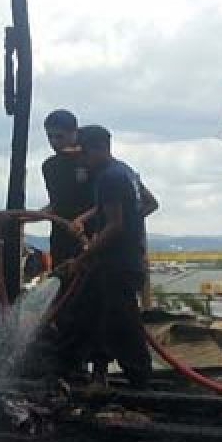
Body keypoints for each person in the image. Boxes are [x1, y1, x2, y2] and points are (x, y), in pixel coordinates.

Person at [55, 125, 154, 389]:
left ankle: (140, 382)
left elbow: (115, 225)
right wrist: (88, 219)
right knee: (88, 313)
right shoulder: (124, 171)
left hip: (117, 263)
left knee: (122, 324)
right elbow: (147, 203)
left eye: (84, 154)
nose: (81, 161)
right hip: (120, 260)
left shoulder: (109, 178)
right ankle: (71, 371)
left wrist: (82, 258)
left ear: (99, 148)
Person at [40, 110, 94, 267]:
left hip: (91, 236)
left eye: (59, 136)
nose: (54, 142)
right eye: (50, 137)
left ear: (74, 133)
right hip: (61, 239)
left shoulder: (91, 160)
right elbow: (56, 204)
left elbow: (104, 202)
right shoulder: (50, 166)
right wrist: (26, 218)